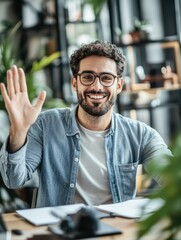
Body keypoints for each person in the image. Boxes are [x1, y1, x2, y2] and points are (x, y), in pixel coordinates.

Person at [0, 40, 172, 208]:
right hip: (60, 232)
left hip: (117, 232)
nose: (96, 86)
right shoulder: (45, 125)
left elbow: (171, 177)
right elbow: (13, 180)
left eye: (106, 78)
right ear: (75, 83)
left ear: (118, 85)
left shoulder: (140, 135)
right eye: (88, 77)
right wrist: (18, 131)